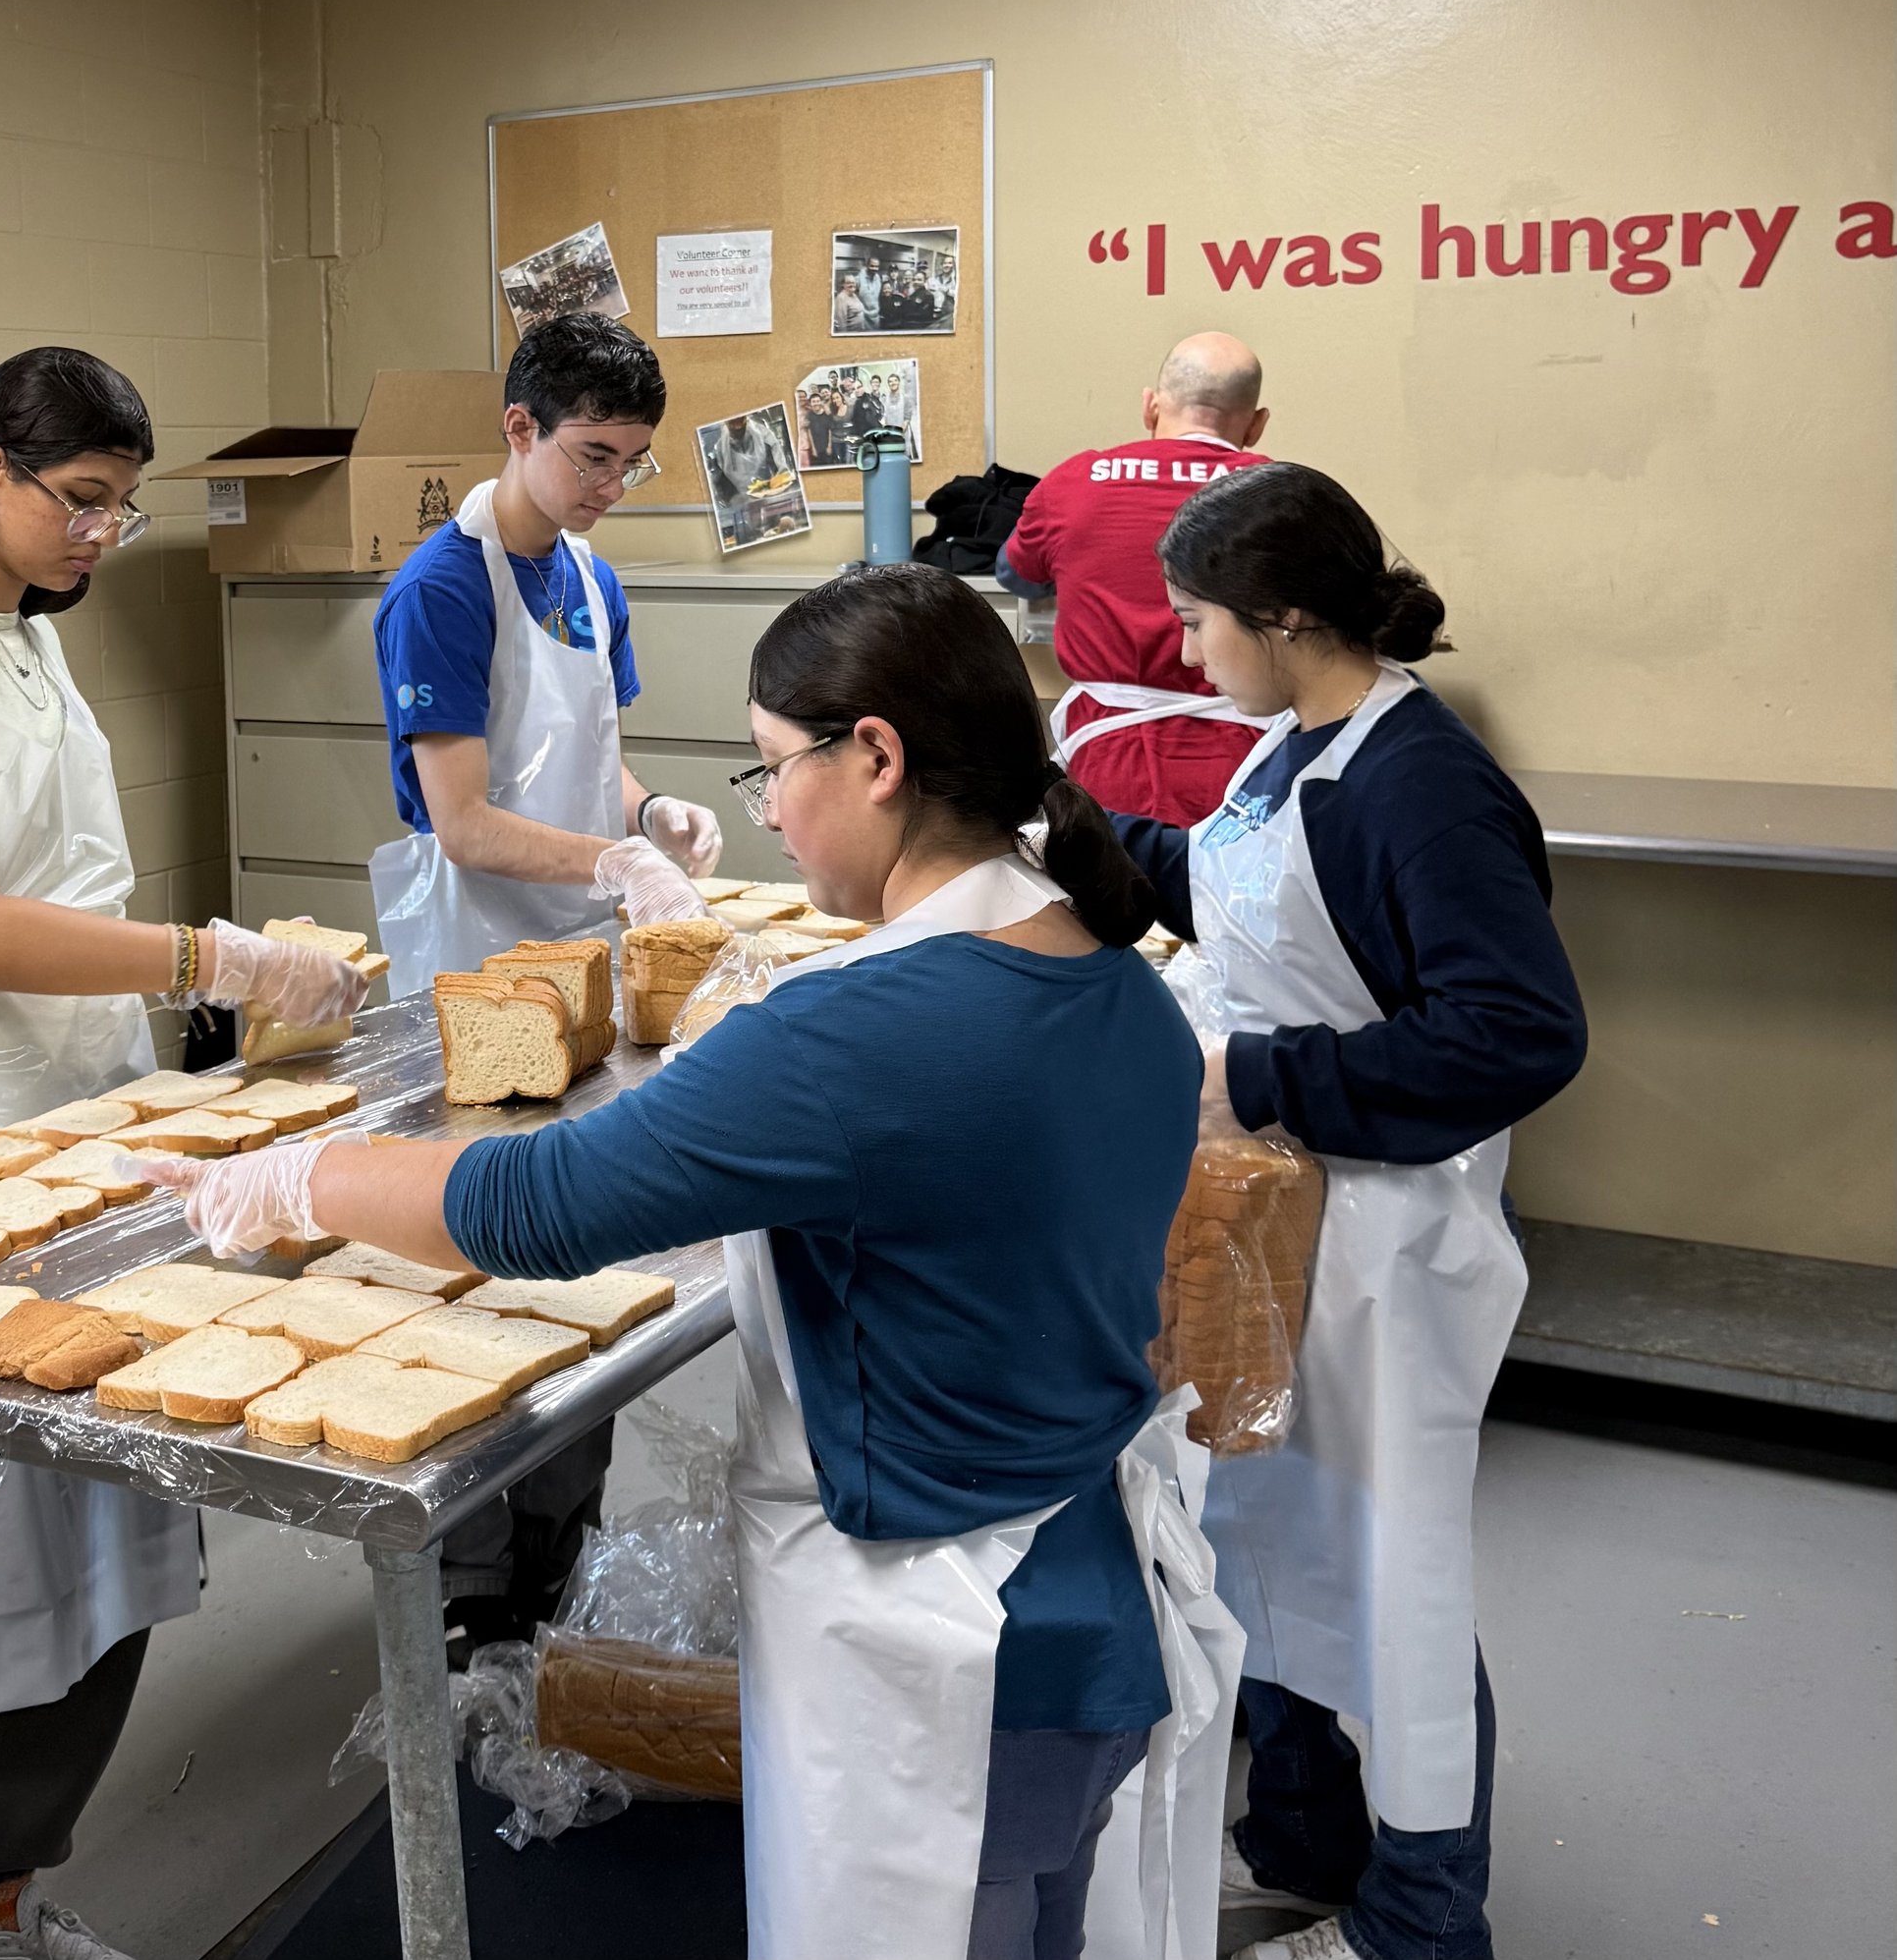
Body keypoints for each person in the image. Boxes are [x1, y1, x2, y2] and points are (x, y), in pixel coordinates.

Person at [143, 566, 1240, 1960]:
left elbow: (540, 1202)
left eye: (774, 767)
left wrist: (297, 1177)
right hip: (1092, 1604)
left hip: (946, 1658)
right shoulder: (1116, 979)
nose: (767, 809)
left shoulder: (859, 1034)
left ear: (880, 757)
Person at [0, 348, 370, 1960]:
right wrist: (215, 962)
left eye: (124, 505)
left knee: (101, 1526)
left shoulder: (30, 641)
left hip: (65, 1113)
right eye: (79, 500)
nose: (102, 537)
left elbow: (65, 894)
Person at [1106, 464, 1589, 1960]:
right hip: (1278, 1241)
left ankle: (1424, 1921)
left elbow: (1519, 1033)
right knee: (1257, 1535)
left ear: (1289, 614)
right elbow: (1236, 890)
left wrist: (1253, 1072)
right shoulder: (1295, 745)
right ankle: (1307, 1841)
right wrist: (1068, 831)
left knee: (1392, 1577)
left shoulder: (1422, 784)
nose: (1185, 653)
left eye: (1201, 624)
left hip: (1389, 1258)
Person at [367, 311, 719, 1648]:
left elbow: (589, 760)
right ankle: (468, 1595)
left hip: (582, 969)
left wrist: (657, 813)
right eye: (589, 456)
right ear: (518, 430)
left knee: (583, 1258)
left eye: (630, 460)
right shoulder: (442, 592)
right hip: (477, 968)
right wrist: (614, 861)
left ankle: (555, 1562)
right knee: (481, 1274)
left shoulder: (590, 574)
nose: (608, 486)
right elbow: (463, 818)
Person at [996, 332, 1275, 825]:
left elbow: (1017, 575)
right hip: (1247, 762)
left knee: (1113, 894)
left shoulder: (1073, 483)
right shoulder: (1279, 492)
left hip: (1108, 758)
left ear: (1150, 407)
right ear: (1255, 425)